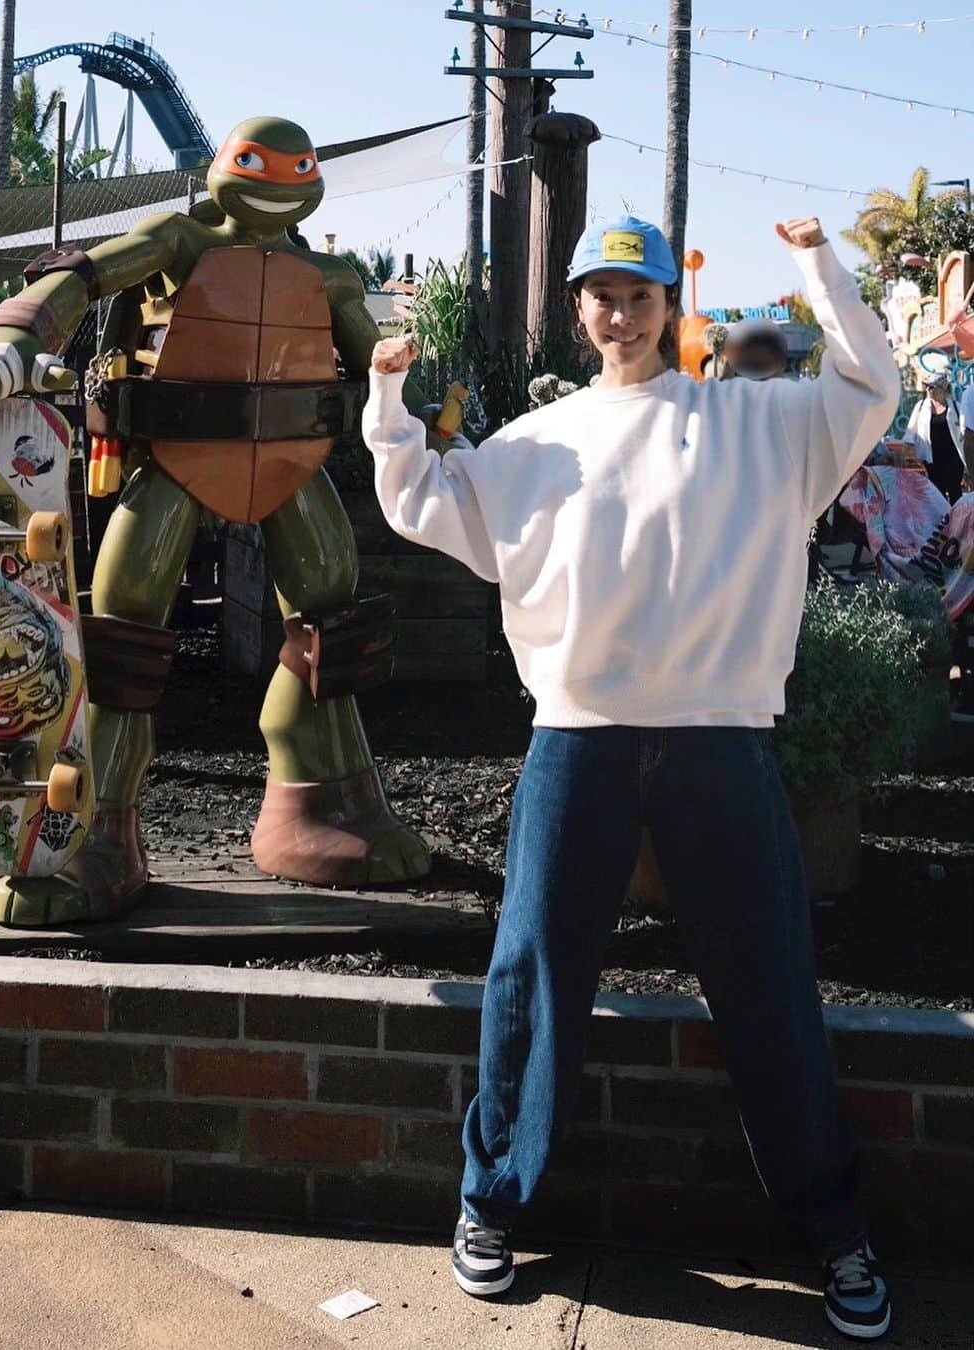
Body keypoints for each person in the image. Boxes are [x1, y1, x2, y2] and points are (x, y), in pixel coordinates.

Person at [362, 214, 899, 1342]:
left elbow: (871, 379)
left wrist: (816, 265)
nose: (620, 312)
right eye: (600, 293)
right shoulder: (538, 441)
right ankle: (491, 1202)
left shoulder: (760, 424)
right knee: (534, 976)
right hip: (581, 736)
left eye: (639, 291)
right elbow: (424, 499)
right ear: (578, 309)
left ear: (668, 304)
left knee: (769, 983)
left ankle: (835, 1229)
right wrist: (386, 401)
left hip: (721, 740)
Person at [903, 372, 965, 503]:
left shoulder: (955, 407)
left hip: (953, 460)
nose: (927, 389)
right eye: (926, 386)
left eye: (931, 386)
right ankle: (942, 523)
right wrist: (911, 454)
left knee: (955, 494)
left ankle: (958, 522)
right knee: (937, 497)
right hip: (932, 460)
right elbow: (910, 433)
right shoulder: (920, 407)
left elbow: (965, 433)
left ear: (941, 388)